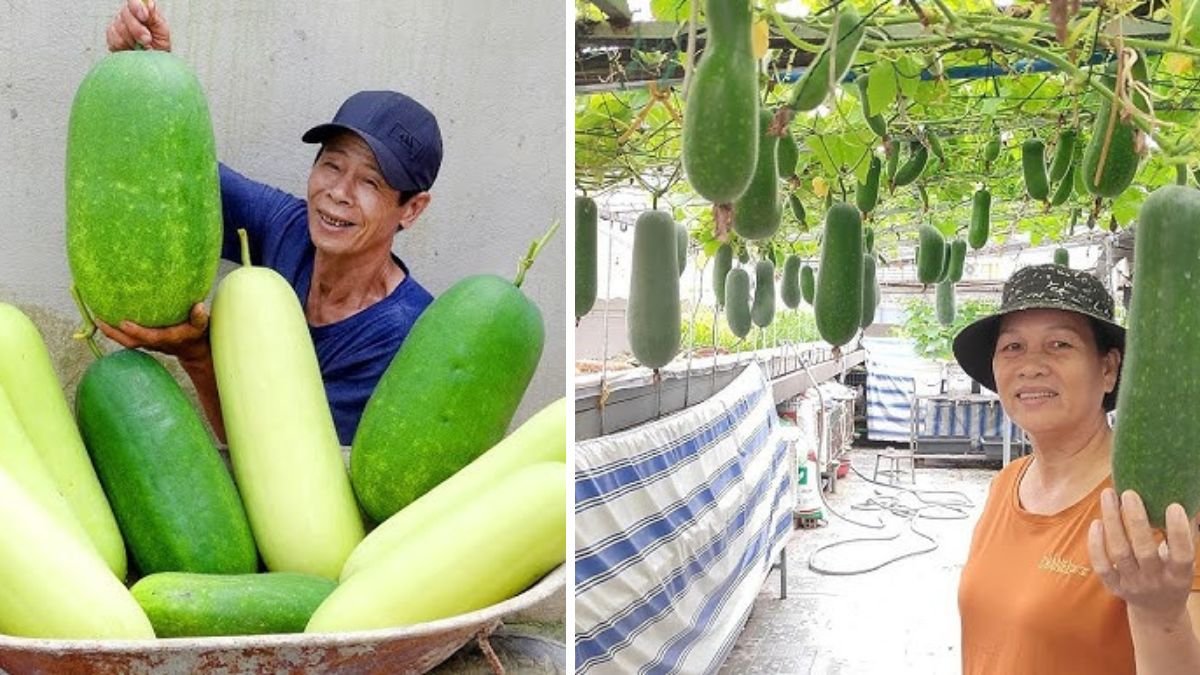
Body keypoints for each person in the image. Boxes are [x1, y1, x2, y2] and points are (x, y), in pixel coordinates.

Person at [98, 0, 439, 445]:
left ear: (411, 209)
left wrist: (197, 356)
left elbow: (283, 470)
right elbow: (173, 176)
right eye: (332, 166)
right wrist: (144, 72)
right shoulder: (289, 226)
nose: (338, 192)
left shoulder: (404, 338)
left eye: (370, 182)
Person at [953, 263, 1200, 674]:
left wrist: (1160, 615)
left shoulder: (1159, 504)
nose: (1031, 365)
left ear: (1108, 369)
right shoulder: (1006, 483)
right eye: (1013, 347)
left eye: (1059, 345)